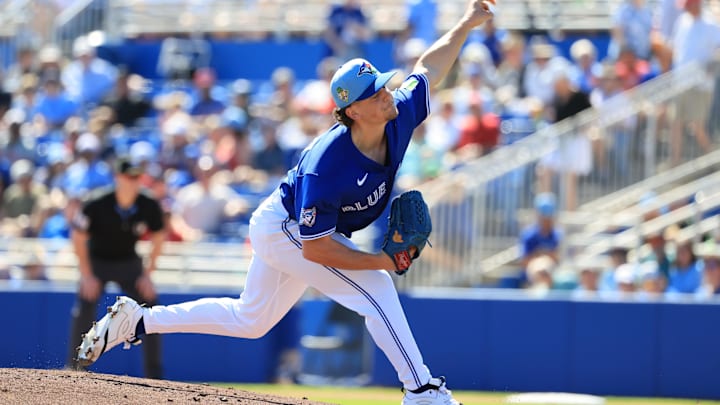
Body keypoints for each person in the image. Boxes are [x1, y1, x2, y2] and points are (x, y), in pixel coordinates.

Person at [76, 1, 497, 403]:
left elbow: (428, 68)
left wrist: (464, 23)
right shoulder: (327, 164)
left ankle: (138, 320)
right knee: (377, 288)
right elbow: (316, 248)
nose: (387, 93)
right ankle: (422, 391)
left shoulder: (396, 115)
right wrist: (381, 262)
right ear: (352, 111)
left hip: (292, 226)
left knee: (250, 320)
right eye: (375, 93)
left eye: (384, 85)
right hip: (285, 229)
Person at [68, 157, 165, 379]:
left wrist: (148, 275)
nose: (133, 181)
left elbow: (159, 236)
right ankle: (74, 370)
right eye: (128, 177)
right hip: (98, 262)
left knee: (151, 307)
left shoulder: (148, 204)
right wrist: (86, 275)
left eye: (137, 177)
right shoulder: (96, 202)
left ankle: (154, 374)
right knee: (84, 308)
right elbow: (78, 236)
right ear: (117, 178)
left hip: (129, 261)